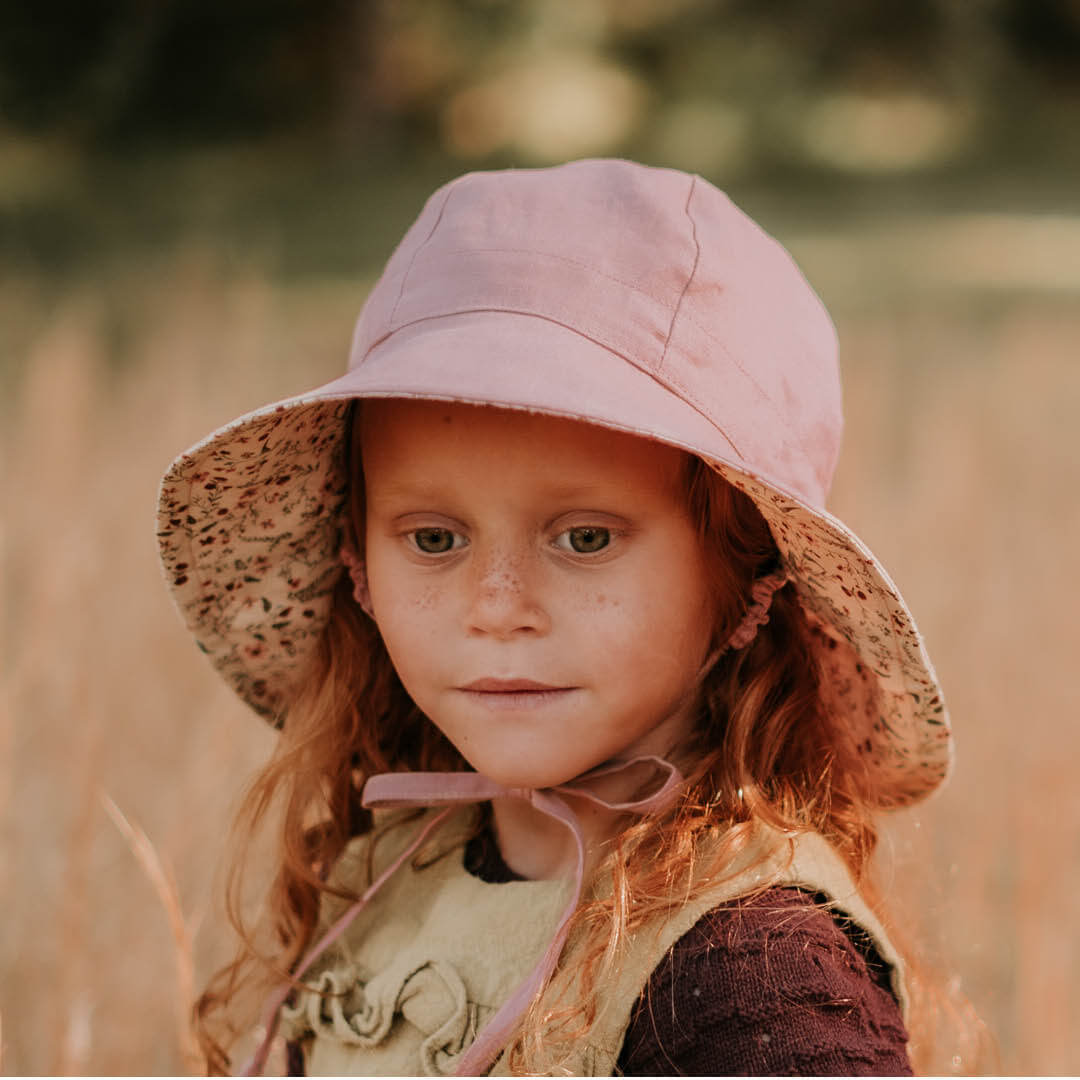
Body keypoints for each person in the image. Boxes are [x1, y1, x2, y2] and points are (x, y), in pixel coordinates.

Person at [157, 158, 956, 1076]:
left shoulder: (751, 978)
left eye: (584, 539)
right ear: (357, 563)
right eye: (431, 538)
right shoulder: (386, 869)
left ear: (746, 577)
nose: (497, 609)